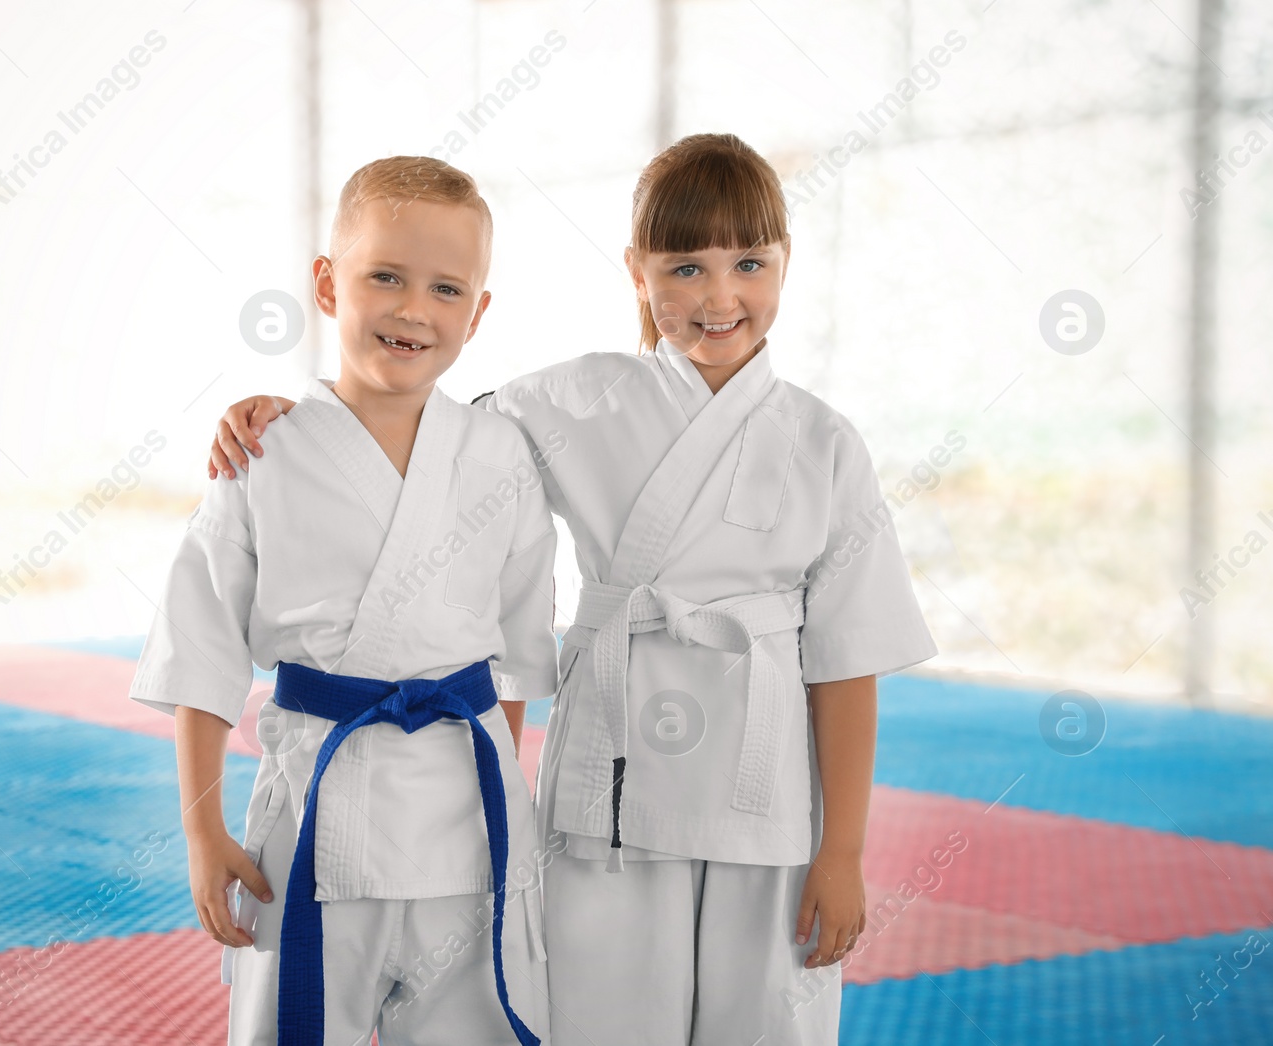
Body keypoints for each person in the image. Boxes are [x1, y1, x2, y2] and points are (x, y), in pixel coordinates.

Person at [206, 133, 938, 1045]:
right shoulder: (578, 396)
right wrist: (291, 421)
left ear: (786, 262)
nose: (720, 297)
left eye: (750, 263)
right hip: (611, 788)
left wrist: (843, 850)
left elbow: (846, 659)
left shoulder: (827, 442)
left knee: (769, 1026)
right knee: (600, 1017)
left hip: (766, 796)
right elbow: (424, 430)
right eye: (685, 268)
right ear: (638, 272)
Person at [131, 155, 556, 1045]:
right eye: (385, 277)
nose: (413, 309)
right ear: (328, 285)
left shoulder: (500, 455)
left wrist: (503, 809)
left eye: (446, 288)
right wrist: (203, 834)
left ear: (477, 314)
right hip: (314, 825)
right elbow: (201, 651)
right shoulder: (263, 454)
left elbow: (517, 652)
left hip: (469, 837)